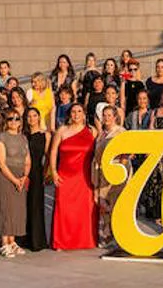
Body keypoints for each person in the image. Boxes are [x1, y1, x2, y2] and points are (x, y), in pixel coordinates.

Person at [50, 102, 98, 249]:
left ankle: (85, 240)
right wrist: (53, 171)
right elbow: (53, 152)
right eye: (73, 112)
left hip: (84, 177)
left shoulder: (92, 131)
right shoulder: (62, 130)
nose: (76, 114)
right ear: (70, 114)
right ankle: (61, 242)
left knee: (84, 210)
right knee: (63, 209)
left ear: (84, 114)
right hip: (65, 176)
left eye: (79, 111)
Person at [0, 108, 30, 257]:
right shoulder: (2, 137)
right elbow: (1, 162)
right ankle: (4, 243)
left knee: (17, 209)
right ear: (6, 122)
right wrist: (14, 180)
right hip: (6, 176)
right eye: (10, 119)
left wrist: (24, 176)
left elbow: (27, 160)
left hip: (20, 176)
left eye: (17, 118)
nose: (14, 122)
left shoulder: (23, 138)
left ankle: (13, 241)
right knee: (5, 207)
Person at [93, 104, 126, 250]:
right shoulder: (101, 134)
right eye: (104, 115)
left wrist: (121, 169)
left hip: (117, 172)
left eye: (109, 115)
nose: (106, 118)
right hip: (102, 173)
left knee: (116, 204)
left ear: (115, 117)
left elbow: (126, 153)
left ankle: (116, 235)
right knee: (103, 204)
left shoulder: (121, 132)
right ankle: (107, 234)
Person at [23, 106, 51, 251]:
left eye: (34, 116)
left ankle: (37, 241)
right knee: (24, 205)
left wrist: (46, 172)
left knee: (36, 205)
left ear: (39, 117)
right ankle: (23, 239)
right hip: (23, 172)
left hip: (37, 172)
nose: (31, 119)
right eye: (29, 116)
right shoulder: (23, 135)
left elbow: (47, 156)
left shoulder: (45, 135)